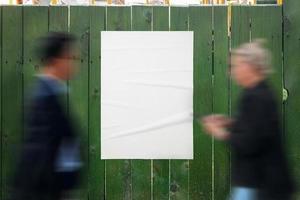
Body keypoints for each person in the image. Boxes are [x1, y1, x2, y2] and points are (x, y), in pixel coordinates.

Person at [202, 41, 294, 200]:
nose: (232, 72)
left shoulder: (256, 97)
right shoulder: (260, 92)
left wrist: (219, 132)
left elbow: (248, 143)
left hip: (259, 184)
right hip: (261, 183)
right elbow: (256, 128)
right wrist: (228, 122)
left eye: (236, 65)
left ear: (250, 66)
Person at [12, 32, 82, 200]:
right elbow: (41, 155)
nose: (74, 64)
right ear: (57, 60)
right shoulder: (44, 97)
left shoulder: (50, 93)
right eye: (71, 57)